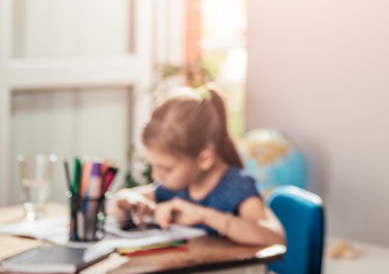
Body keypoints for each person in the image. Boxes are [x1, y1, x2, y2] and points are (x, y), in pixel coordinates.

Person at [109, 83, 284, 246]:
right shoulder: (176, 186)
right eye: (154, 166)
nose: (156, 175)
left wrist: (204, 216)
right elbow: (116, 206)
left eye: (166, 169)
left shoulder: (236, 186)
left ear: (204, 159)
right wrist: (126, 199)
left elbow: (275, 237)